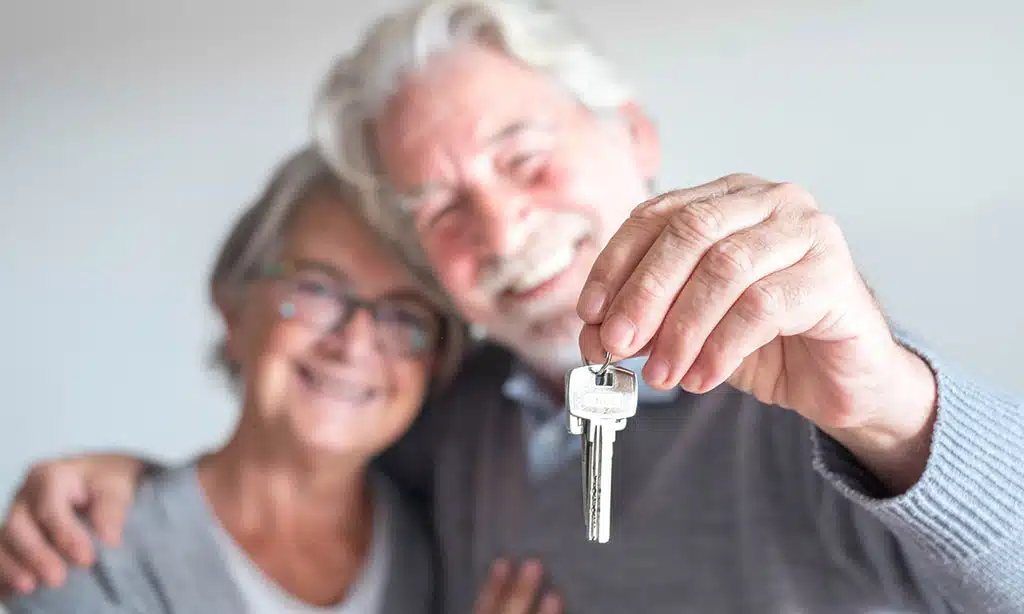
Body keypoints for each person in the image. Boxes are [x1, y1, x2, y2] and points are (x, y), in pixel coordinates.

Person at [4, 1, 1024, 612]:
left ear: (632, 135)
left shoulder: (833, 391)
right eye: (439, 207)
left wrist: (893, 403)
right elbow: (282, 477)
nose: (497, 229)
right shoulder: (450, 421)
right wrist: (137, 479)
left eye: (525, 158)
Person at [1, 145, 563, 614]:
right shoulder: (85, 553)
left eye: (404, 315)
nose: (354, 342)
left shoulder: (446, 542)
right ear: (235, 302)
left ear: (436, 362)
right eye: (317, 289)